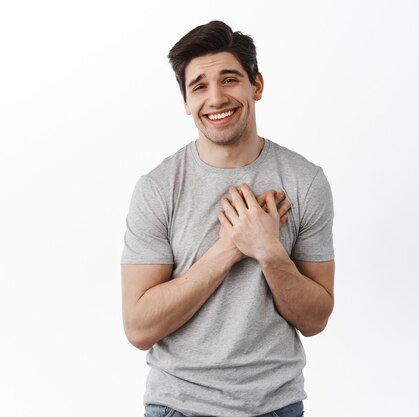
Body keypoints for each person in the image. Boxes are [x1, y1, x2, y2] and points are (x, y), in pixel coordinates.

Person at [121, 20, 335, 417]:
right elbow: (139, 328)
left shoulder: (305, 182)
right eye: (199, 86)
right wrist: (228, 250)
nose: (216, 98)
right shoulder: (157, 188)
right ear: (186, 101)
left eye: (230, 79)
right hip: (177, 407)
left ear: (257, 85)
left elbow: (316, 319)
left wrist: (270, 253)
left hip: (277, 405)